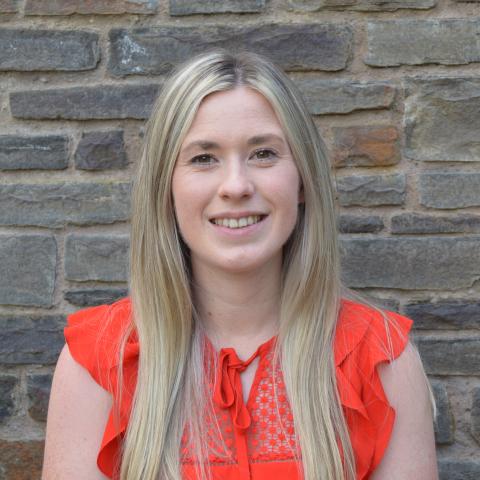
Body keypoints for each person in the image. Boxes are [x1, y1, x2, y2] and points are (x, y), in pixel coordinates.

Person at [42, 49, 438, 480]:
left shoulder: (381, 360)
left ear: (302, 181)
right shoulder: (99, 362)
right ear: (166, 190)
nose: (236, 186)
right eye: (203, 158)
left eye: (263, 153)